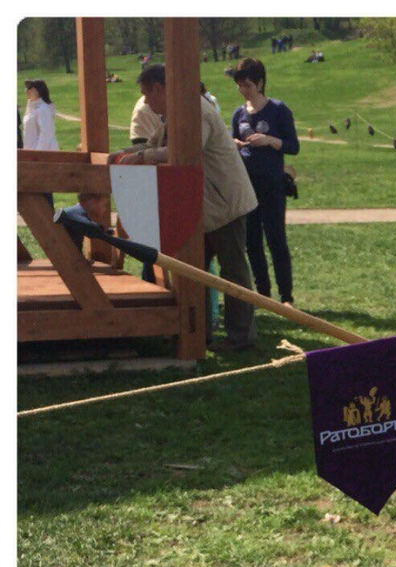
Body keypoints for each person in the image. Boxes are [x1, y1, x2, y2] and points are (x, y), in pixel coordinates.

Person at [107, 64, 258, 353]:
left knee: (233, 270)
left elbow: (185, 152)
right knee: (194, 272)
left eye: (147, 94)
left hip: (224, 202)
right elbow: (155, 144)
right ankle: (198, 333)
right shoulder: (175, 113)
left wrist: (140, 157)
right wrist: (124, 154)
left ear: (160, 88)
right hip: (205, 205)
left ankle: (241, 337)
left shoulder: (194, 110)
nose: (145, 101)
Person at [232, 57, 300, 306]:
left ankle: (286, 296)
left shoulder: (278, 110)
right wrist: (236, 144)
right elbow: (232, 141)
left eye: (248, 85)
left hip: (272, 184)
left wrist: (270, 140)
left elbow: (293, 146)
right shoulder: (239, 114)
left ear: (260, 83)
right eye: (240, 85)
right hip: (247, 185)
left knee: (276, 239)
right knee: (252, 242)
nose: (243, 90)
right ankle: (262, 294)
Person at [22, 78, 59, 208]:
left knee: (44, 191)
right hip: (32, 157)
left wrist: (37, 155)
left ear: (38, 91)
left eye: (30, 88)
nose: (27, 91)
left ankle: (49, 218)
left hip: (42, 158)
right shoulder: (32, 109)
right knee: (36, 192)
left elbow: (46, 134)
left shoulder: (42, 109)